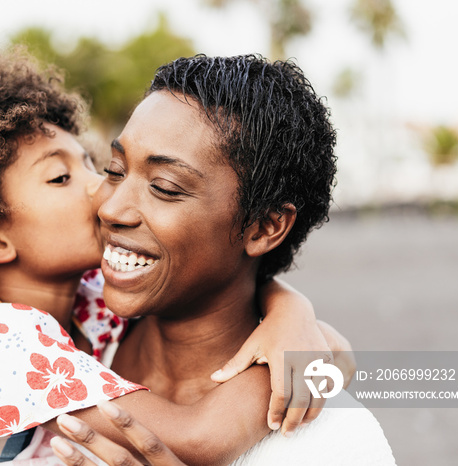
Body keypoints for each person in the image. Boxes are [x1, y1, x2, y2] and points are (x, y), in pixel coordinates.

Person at [0, 51, 352, 466]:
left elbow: (235, 291)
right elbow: (197, 440)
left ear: (265, 227)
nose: (103, 195)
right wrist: (306, 357)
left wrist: (291, 312)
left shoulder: (90, 311)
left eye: (95, 164)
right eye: (61, 179)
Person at [49, 54, 396, 465]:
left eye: (164, 187)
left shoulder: (332, 442)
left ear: (264, 228)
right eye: (115, 169)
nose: (111, 209)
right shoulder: (73, 334)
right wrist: (290, 307)